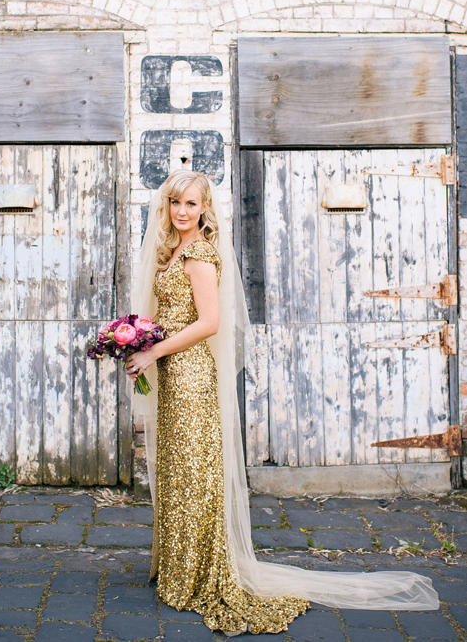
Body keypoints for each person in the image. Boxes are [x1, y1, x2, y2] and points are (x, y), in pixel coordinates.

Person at [126, 169, 439, 635]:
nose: (182, 212)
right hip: (172, 377)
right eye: (176, 203)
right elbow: (171, 314)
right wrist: (139, 341)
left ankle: (199, 574)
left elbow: (209, 322)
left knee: (195, 475)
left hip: (192, 378)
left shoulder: (199, 255)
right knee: (176, 473)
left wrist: (154, 349)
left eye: (192, 204)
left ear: (205, 208)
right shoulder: (169, 251)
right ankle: (177, 569)